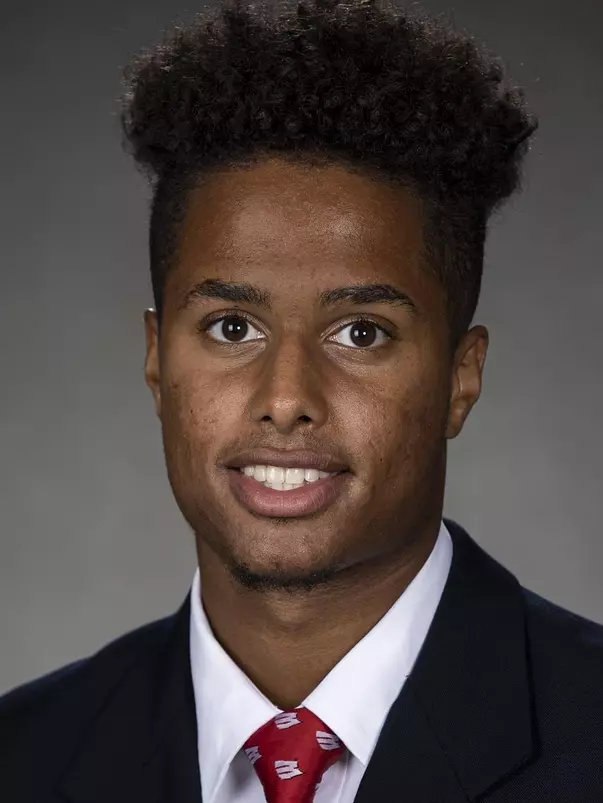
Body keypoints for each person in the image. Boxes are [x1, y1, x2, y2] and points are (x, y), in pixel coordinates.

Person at [2, 0, 602, 800]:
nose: (285, 399)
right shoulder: (25, 755)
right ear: (156, 361)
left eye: (360, 333)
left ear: (461, 376)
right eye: (231, 326)